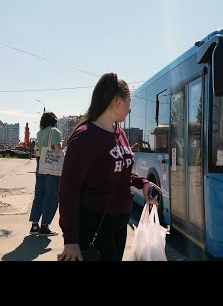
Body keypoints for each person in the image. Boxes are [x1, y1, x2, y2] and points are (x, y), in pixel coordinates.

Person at [57, 72, 162, 261]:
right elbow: (68, 190)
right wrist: (71, 240)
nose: (130, 108)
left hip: (119, 226)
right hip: (95, 228)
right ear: (117, 102)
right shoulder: (85, 137)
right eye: (129, 102)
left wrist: (143, 183)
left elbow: (118, 172)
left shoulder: (118, 132)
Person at [28, 111, 63, 236]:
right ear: (54, 120)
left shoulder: (39, 133)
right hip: (51, 166)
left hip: (40, 164)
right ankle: (45, 226)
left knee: (39, 194)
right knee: (52, 195)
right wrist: (63, 149)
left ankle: (34, 226)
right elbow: (57, 149)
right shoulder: (54, 131)